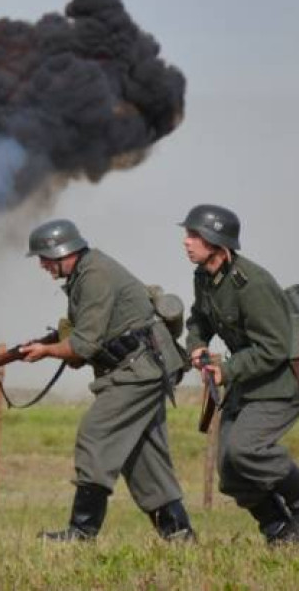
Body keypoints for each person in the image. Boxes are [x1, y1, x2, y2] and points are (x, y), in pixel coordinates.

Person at [20, 219, 194, 542]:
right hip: (138, 368)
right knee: (144, 457)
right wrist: (55, 346)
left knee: (95, 436)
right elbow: (88, 342)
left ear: (63, 252)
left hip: (138, 370)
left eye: (44, 257)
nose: (42, 264)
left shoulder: (94, 275)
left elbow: (84, 344)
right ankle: (179, 534)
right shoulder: (85, 273)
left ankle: (82, 531)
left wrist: (46, 350)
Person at [182, 204, 299, 544]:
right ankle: (279, 530)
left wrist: (226, 369)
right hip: (249, 384)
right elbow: (199, 319)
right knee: (230, 472)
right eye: (187, 234)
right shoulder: (204, 277)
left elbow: (274, 347)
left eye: (194, 235)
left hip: (280, 385)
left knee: (245, 450)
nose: (186, 242)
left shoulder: (251, 283)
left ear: (216, 242)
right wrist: (196, 345)